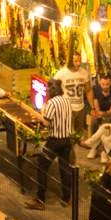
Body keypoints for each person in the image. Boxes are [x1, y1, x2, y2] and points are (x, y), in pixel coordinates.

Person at [27, 78, 75, 209]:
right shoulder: (66, 100)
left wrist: (37, 115)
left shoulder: (52, 103)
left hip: (55, 141)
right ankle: (66, 198)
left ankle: (40, 199)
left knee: (42, 165)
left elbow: (46, 122)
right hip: (67, 140)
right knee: (64, 169)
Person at [53, 52, 91, 138]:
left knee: (79, 135)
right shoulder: (61, 74)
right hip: (67, 109)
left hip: (80, 108)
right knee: (68, 134)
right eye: (75, 61)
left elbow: (88, 90)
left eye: (79, 61)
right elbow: (53, 90)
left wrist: (92, 107)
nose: (78, 63)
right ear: (69, 61)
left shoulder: (84, 73)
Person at [88, 70, 111, 135]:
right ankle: (93, 139)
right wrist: (97, 113)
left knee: (106, 120)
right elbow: (96, 107)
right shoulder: (95, 89)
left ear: (110, 82)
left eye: (107, 84)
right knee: (93, 120)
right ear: (99, 82)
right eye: (103, 84)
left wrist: (103, 114)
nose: (105, 86)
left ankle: (105, 140)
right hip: (99, 112)